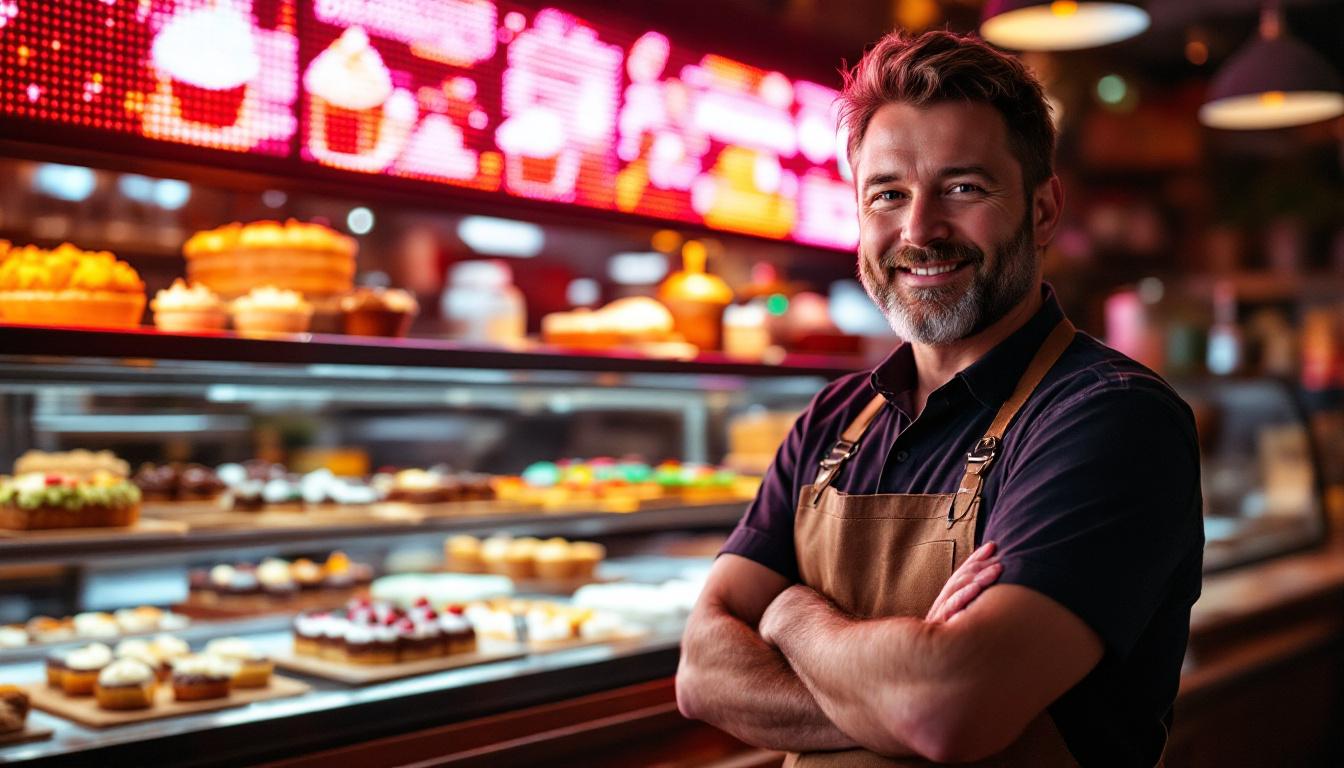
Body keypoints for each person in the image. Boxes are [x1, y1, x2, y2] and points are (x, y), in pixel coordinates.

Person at [675, 29, 1203, 767]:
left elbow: (947, 709)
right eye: (887, 195)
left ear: (1043, 211)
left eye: (963, 188)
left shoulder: (1110, 418)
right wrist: (897, 680)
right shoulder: (833, 420)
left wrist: (793, 615)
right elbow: (701, 674)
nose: (919, 230)